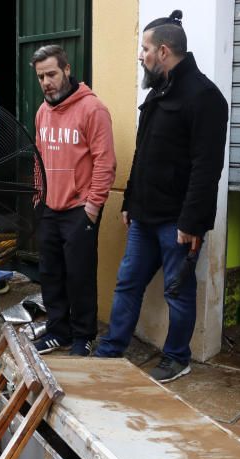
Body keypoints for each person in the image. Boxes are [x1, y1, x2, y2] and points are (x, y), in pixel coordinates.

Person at [93, 10, 228, 383]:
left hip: (177, 223)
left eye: (145, 48)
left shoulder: (205, 97)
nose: (141, 55)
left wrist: (192, 222)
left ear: (164, 52)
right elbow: (144, 153)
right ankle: (111, 349)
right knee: (127, 283)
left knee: (177, 293)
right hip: (144, 216)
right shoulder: (157, 92)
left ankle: (176, 356)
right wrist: (129, 200)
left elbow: (207, 167)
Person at [30, 45, 115, 357]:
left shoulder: (93, 110)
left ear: (66, 69)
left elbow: (105, 163)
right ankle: (57, 332)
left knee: (79, 276)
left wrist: (92, 207)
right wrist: (38, 196)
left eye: (51, 74)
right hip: (49, 207)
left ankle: (83, 336)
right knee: (50, 273)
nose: (46, 82)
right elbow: (37, 158)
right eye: (40, 77)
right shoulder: (42, 112)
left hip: (80, 210)